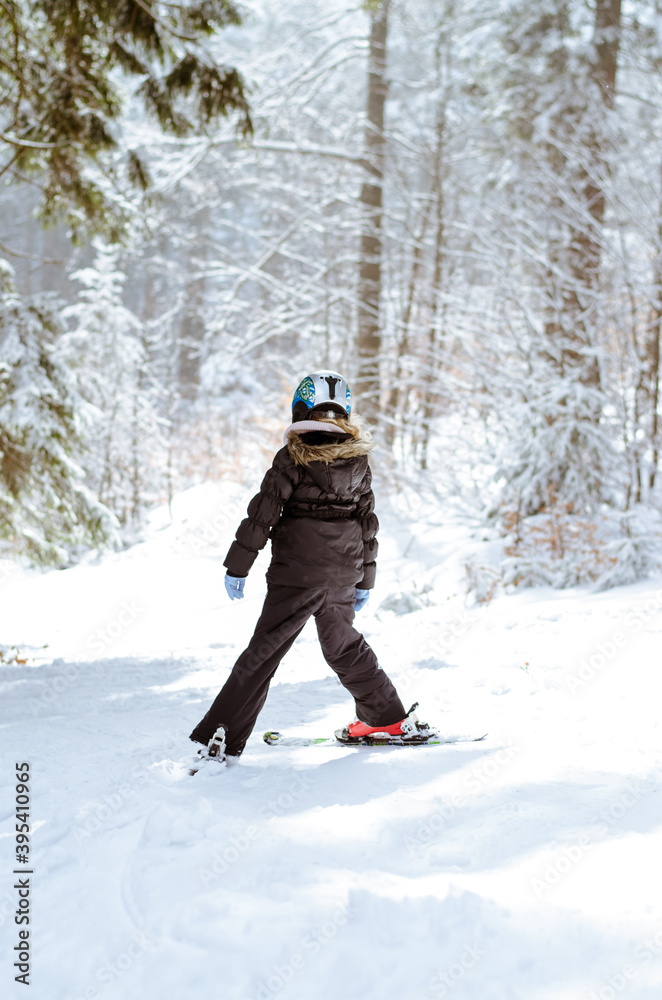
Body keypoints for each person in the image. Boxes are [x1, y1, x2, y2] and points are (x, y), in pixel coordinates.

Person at [189, 369, 425, 760]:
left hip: (298, 573)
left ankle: (222, 733)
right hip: (343, 574)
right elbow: (367, 523)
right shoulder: (359, 462)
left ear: (301, 408)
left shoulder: (293, 456)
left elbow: (262, 514)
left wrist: (238, 566)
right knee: (343, 647)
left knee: (264, 652)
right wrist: (365, 578)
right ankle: (386, 718)